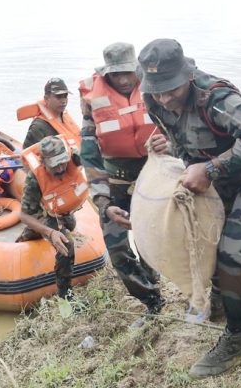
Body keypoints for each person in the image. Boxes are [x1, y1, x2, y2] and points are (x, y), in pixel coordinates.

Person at [138, 38, 241, 378]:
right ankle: (224, 302)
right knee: (201, 241)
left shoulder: (216, 98)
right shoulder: (153, 99)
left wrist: (210, 170)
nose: (165, 97)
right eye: (157, 90)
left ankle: (237, 340)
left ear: (188, 76)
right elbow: (185, 140)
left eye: (171, 89)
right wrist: (166, 143)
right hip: (216, 183)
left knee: (232, 254)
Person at [78, 42, 164, 318]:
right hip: (114, 181)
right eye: (117, 75)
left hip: (154, 175)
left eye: (128, 72)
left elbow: (183, 129)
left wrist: (171, 146)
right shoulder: (93, 100)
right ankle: (151, 300)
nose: (124, 80)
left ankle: (158, 277)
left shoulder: (158, 88)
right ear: (106, 75)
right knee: (117, 248)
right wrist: (102, 201)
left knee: (153, 238)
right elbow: (89, 153)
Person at [16, 135, 89, 298]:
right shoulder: (34, 178)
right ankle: (64, 294)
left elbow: (95, 157)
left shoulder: (74, 159)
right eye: (55, 165)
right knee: (66, 243)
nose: (61, 168)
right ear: (44, 163)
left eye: (63, 162)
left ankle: (35, 232)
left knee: (70, 224)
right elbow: (24, 215)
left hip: (64, 212)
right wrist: (50, 233)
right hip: (45, 212)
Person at [19, 78, 81, 150]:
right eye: (59, 97)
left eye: (65, 96)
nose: (64, 101)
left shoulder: (65, 118)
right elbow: (28, 156)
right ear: (46, 98)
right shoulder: (38, 126)